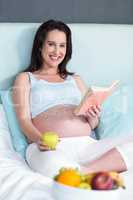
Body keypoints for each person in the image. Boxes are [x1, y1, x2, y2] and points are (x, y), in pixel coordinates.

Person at [12, 19, 131, 177]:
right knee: (52, 164)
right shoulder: (25, 78)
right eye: (51, 44)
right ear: (40, 46)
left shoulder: (75, 79)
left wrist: (93, 116)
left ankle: (81, 172)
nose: (57, 51)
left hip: (86, 145)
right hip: (48, 147)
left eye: (62, 45)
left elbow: (93, 125)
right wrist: (39, 139)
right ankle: (88, 171)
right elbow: (23, 120)